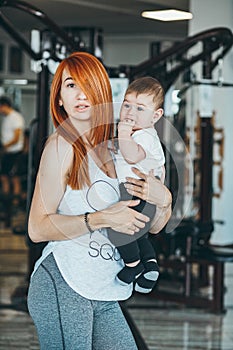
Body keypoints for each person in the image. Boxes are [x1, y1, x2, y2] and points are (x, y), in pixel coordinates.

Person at [27, 51, 172, 350]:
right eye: (70, 85)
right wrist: (102, 219)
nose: (81, 94)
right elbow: (37, 229)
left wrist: (165, 199)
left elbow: (153, 226)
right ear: (59, 99)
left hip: (105, 287)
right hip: (63, 282)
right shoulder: (61, 146)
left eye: (88, 84)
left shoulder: (119, 149)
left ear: (102, 92)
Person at [108, 76, 165, 293]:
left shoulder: (145, 136)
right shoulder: (139, 135)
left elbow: (132, 156)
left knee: (118, 227)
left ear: (155, 116)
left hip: (137, 192)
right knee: (138, 235)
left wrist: (122, 134)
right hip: (140, 193)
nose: (131, 113)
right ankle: (150, 265)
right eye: (127, 105)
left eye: (140, 109)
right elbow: (125, 152)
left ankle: (133, 266)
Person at [0, 96, 25, 204]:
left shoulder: (15, 117)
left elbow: (16, 137)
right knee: (4, 176)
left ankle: (15, 205)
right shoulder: (6, 118)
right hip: (8, 152)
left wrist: (4, 146)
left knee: (15, 178)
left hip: (15, 153)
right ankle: (6, 204)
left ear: (4, 106)